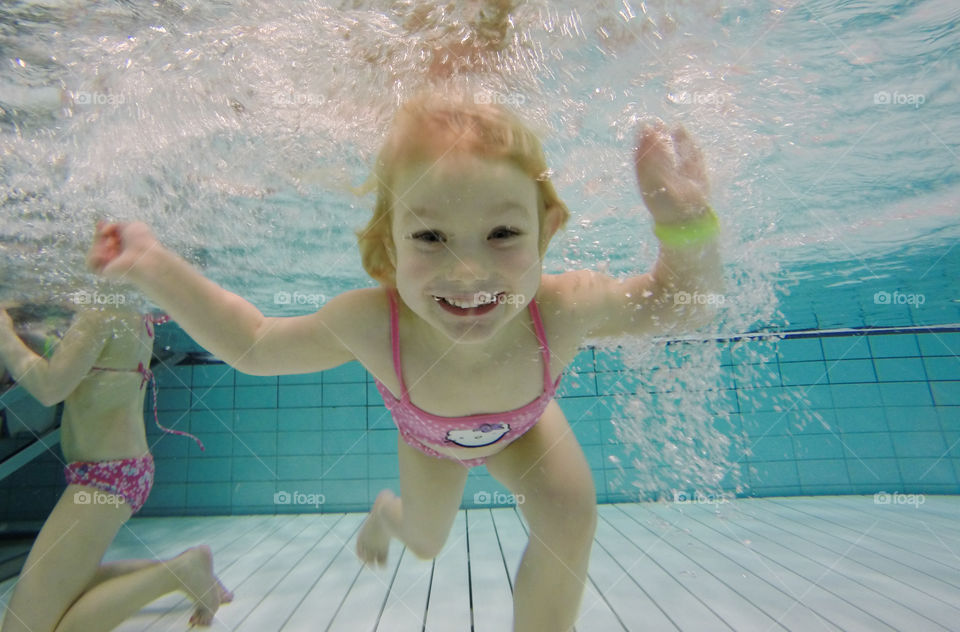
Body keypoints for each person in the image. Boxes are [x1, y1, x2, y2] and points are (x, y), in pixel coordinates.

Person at [87, 92, 722, 631]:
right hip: (431, 443)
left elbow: (682, 305)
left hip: (527, 431)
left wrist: (687, 224)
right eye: (429, 237)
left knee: (571, 516)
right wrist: (151, 265)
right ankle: (390, 516)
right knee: (426, 542)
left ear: (546, 228)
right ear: (386, 243)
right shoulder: (372, 323)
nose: (468, 272)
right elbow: (253, 343)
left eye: (503, 234)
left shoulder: (562, 308)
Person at [0, 303, 233, 631]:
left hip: (103, 477)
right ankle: (183, 569)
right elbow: (77, 359)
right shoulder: (129, 311)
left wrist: (3, 332)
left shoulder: (102, 312)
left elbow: (50, 388)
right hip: (119, 469)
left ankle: (179, 572)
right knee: (66, 586)